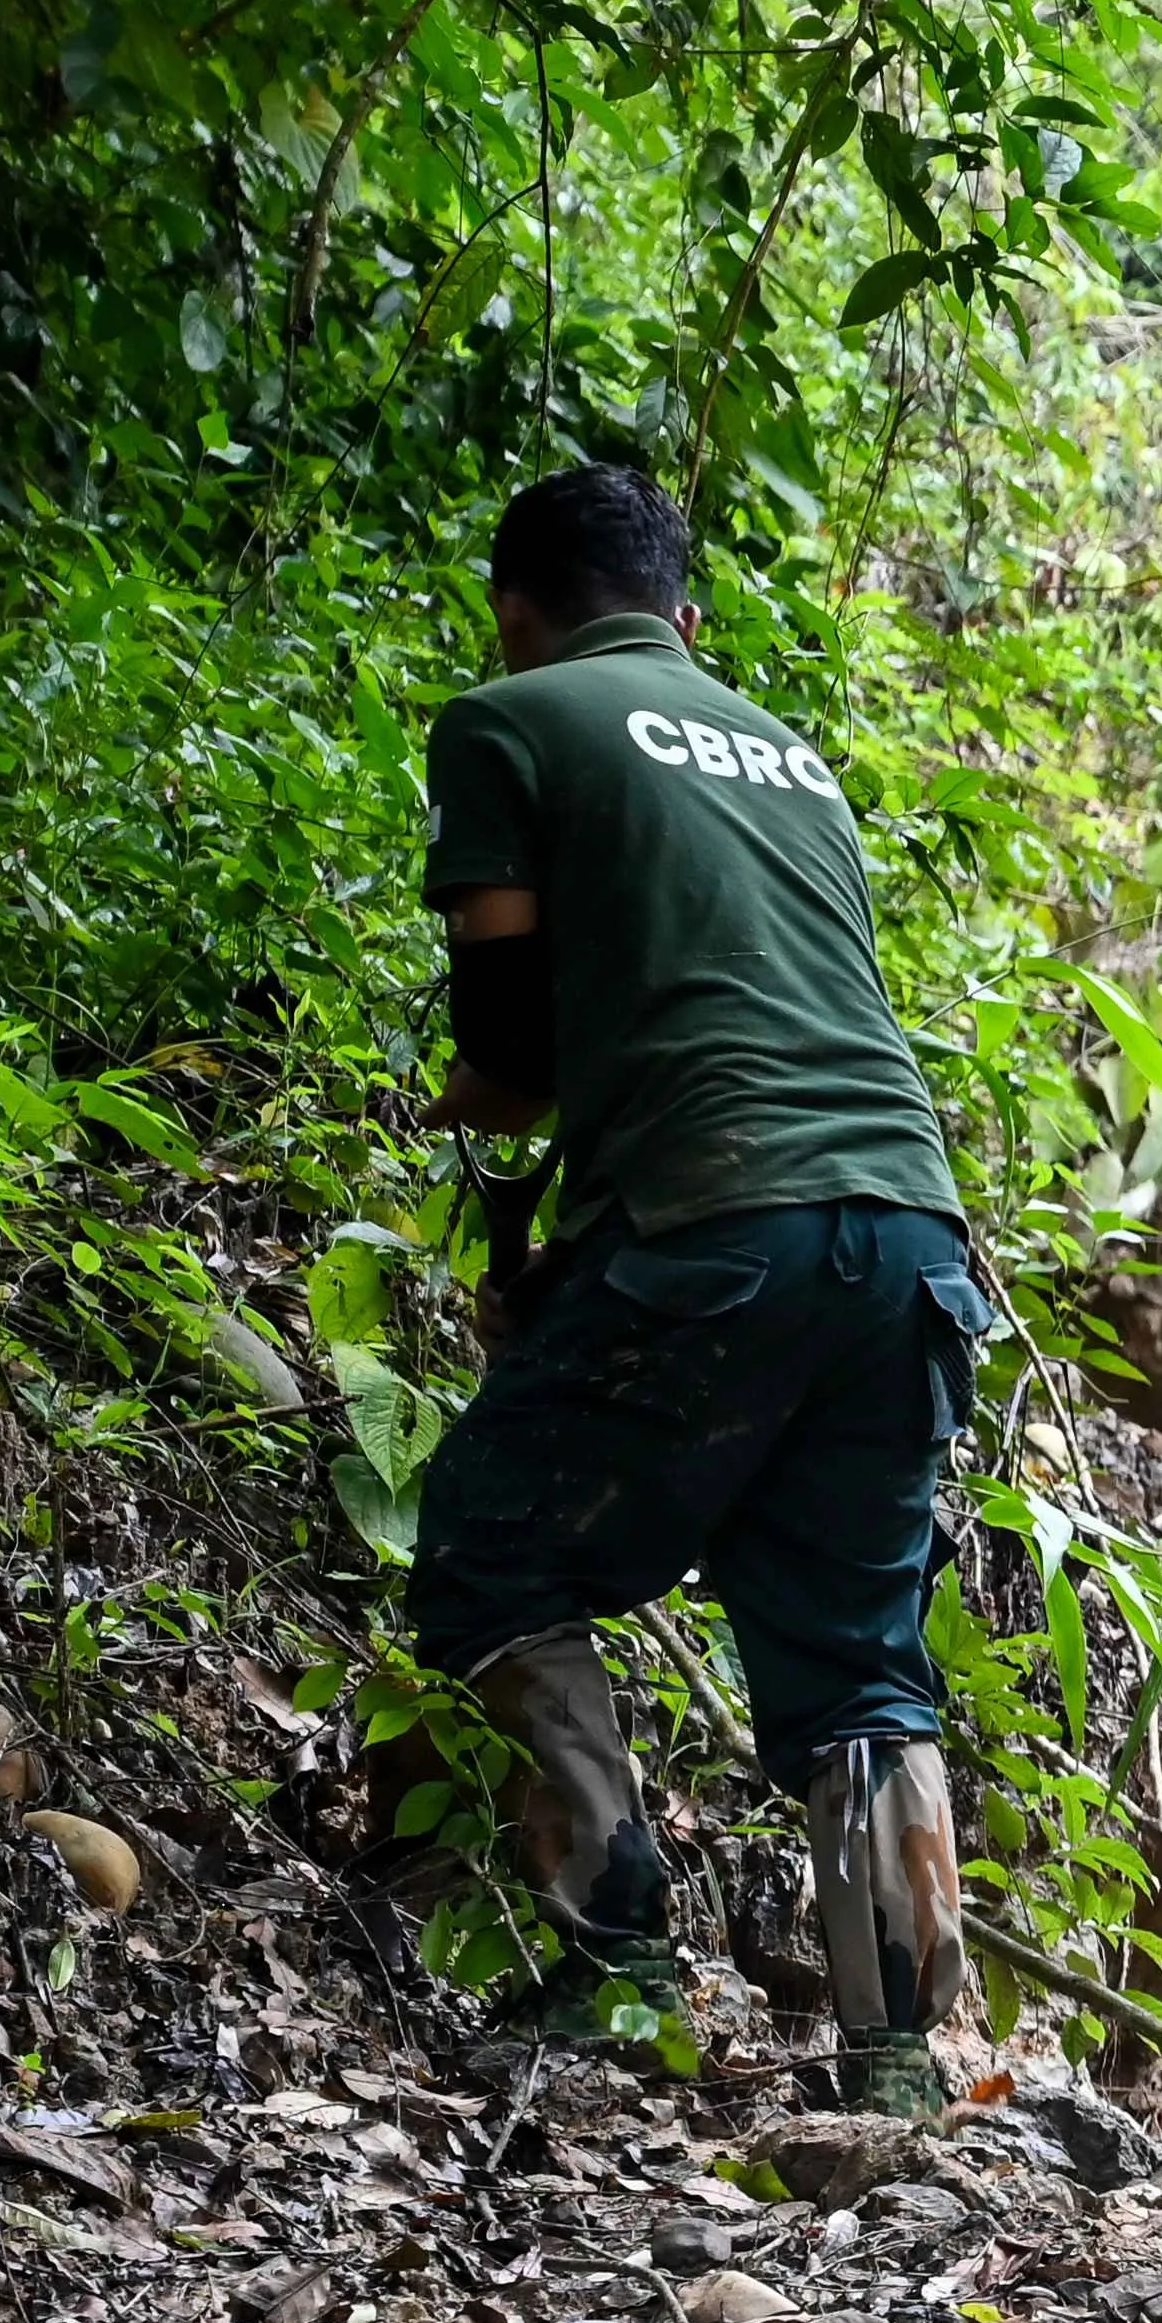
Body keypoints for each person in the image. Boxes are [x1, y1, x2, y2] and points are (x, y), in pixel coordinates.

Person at [408, 459, 989, 2112]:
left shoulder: (509, 719)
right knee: (856, 1655)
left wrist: (486, 1107)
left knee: (483, 1543)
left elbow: (514, 1044)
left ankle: (618, 1962)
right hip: (909, 1231)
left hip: (722, 1223)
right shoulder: (791, 756)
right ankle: (893, 2066)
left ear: (515, 608)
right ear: (686, 614)